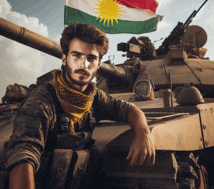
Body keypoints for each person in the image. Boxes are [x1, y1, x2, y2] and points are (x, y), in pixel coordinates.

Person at [5, 23, 155, 189]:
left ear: (99, 64)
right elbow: (23, 156)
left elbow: (129, 110)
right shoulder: (42, 101)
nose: (84, 64)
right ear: (64, 58)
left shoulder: (93, 96)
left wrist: (143, 132)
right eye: (77, 56)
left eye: (91, 58)